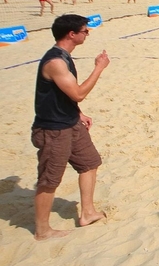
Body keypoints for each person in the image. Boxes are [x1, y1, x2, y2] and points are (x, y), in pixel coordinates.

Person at [31, 14, 110, 240]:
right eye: (85, 31)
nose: (87, 34)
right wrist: (99, 68)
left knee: (90, 163)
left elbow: (64, 96)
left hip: (70, 122)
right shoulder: (55, 61)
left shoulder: (65, 56)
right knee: (49, 180)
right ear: (71, 34)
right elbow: (78, 93)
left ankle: (87, 212)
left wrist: (78, 113)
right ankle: (42, 230)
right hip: (53, 130)